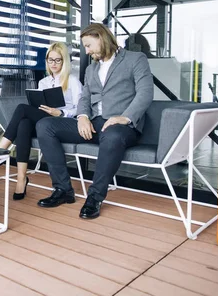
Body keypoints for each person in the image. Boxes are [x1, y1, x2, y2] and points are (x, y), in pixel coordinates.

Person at [35, 23, 153, 218]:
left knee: (112, 136)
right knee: (45, 126)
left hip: (122, 126)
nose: (87, 51)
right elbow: (85, 98)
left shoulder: (135, 59)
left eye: (89, 45)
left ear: (101, 38)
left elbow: (145, 92)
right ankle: (63, 190)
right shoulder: (91, 69)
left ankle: (95, 197)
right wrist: (82, 117)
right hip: (95, 124)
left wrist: (125, 117)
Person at [0, 42, 82, 200]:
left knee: (22, 110)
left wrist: (61, 112)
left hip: (63, 123)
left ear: (64, 61)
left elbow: (81, 108)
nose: (54, 64)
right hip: (44, 122)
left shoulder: (72, 81)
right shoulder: (43, 82)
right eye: (50, 60)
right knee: (24, 123)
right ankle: (21, 177)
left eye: (58, 60)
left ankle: (0, 151)